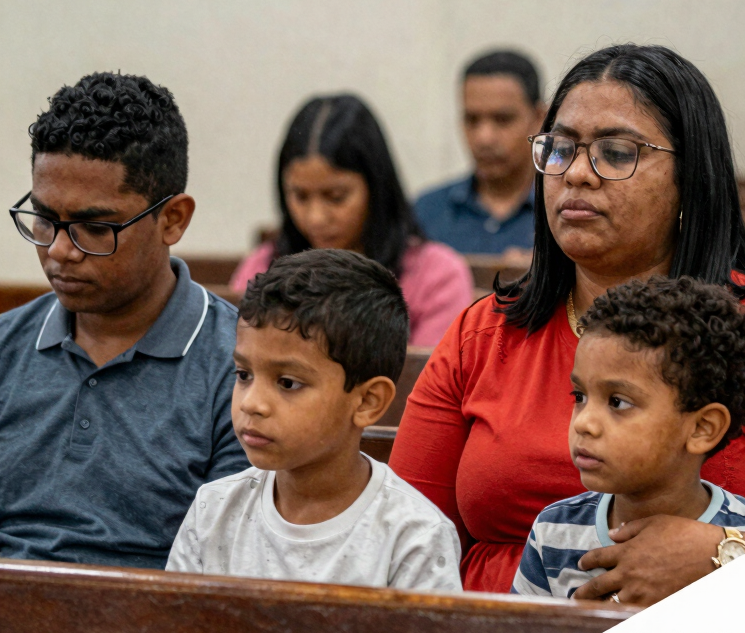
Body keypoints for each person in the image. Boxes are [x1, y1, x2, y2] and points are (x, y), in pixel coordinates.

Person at [390, 43, 745, 605]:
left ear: (689, 178)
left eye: (616, 153)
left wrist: (722, 555)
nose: (576, 174)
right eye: (560, 149)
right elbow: (404, 539)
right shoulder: (485, 334)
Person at [0, 72, 248, 569]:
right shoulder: (6, 348)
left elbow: (226, 569)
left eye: (96, 228)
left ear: (173, 219)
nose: (60, 252)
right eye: (45, 219)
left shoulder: (241, 367)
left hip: (158, 630)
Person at [169, 249, 461, 591]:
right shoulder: (213, 510)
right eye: (244, 374)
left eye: (288, 383)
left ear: (367, 401)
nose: (252, 403)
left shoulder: (414, 536)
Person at [513, 276, 745, 598]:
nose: (584, 423)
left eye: (618, 402)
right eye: (579, 396)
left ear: (703, 428)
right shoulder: (554, 530)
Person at [229, 95, 473, 346]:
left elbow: (430, 381)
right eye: (300, 196)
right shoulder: (262, 269)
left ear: (376, 189)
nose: (316, 217)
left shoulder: (436, 276)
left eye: (335, 197)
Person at [414, 50, 546, 265]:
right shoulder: (426, 213)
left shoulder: (567, 212)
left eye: (502, 119)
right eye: (472, 120)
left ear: (539, 118)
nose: (484, 138)